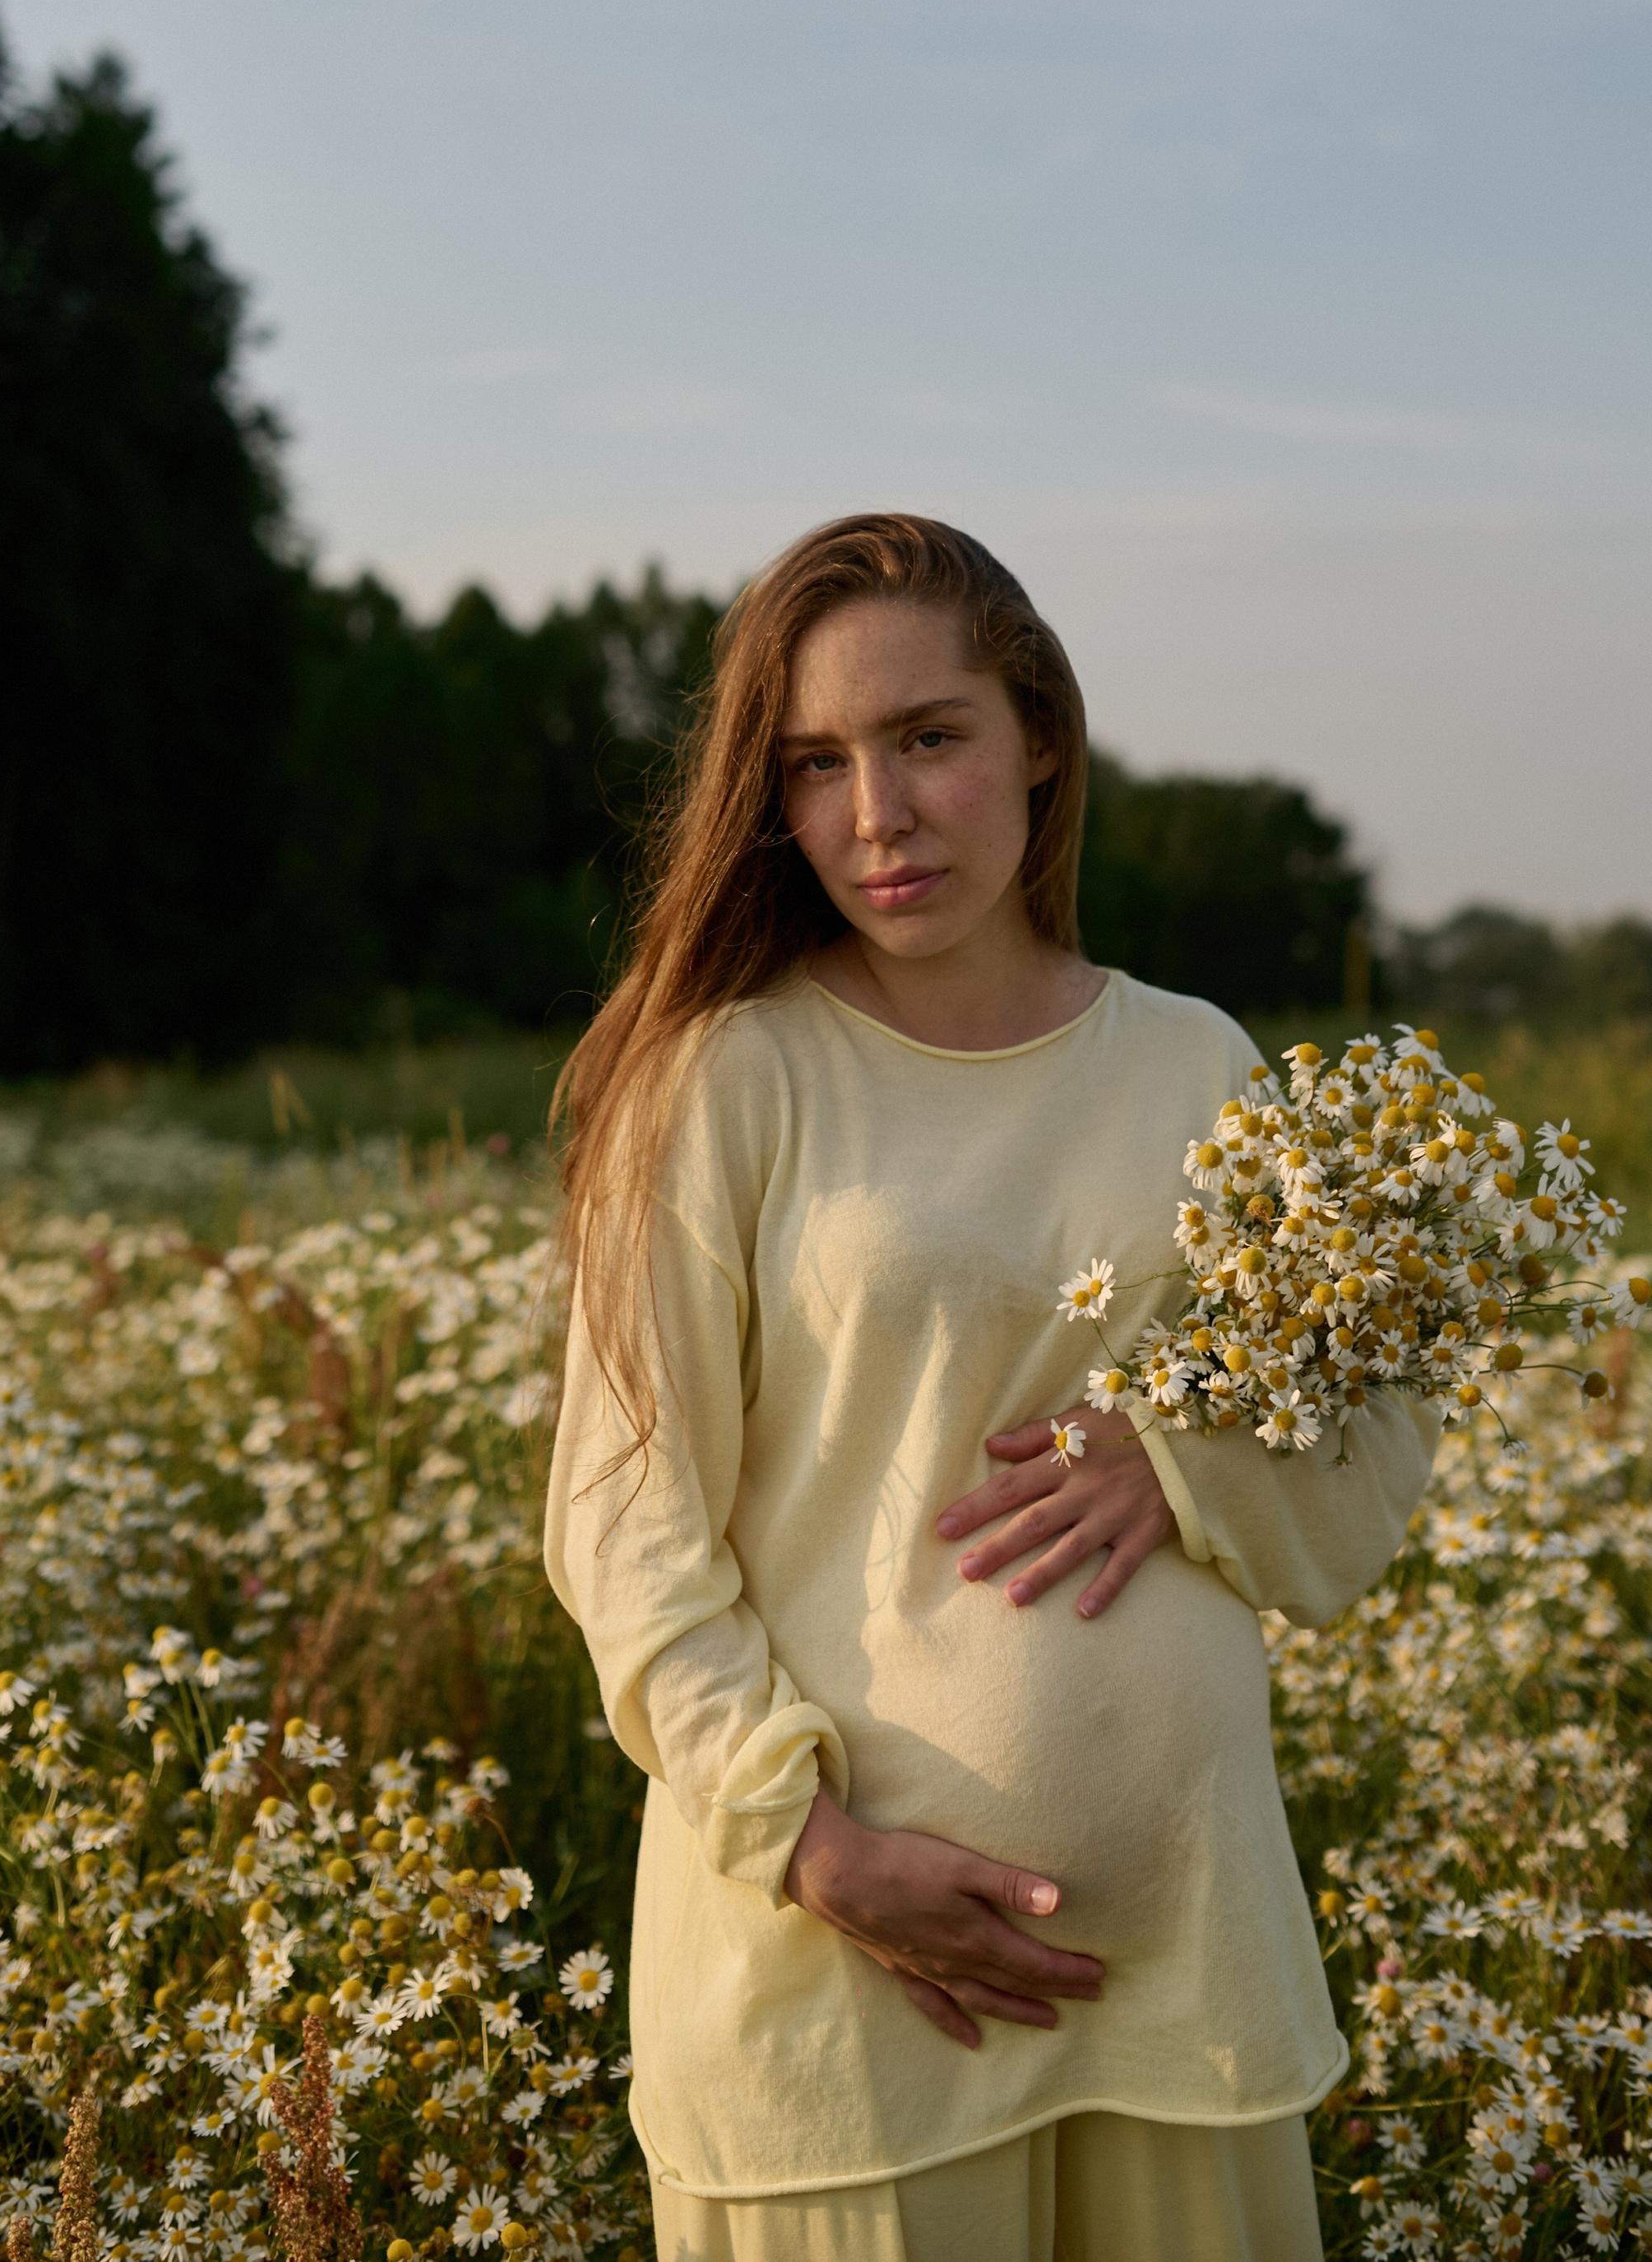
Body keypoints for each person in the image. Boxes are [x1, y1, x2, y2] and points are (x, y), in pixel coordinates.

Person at [544, 513, 1438, 2262]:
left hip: (1177, 1986)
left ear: (1036, 732)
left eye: (927, 737)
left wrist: (1170, 1449)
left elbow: (1363, 1469)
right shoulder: (723, 1077)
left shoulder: (1197, 1063)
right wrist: (802, 1844)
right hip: (837, 1999)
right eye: (814, 763)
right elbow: (616, 1518)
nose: (874, 811)